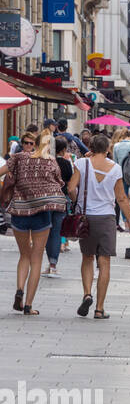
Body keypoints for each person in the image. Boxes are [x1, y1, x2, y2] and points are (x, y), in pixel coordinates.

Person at [67, 134, 130, 320]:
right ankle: (99, 309)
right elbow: (122, 198)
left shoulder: (82, 164)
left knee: (87, 258)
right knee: (104, 261)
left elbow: (70, 188)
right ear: (108, 149)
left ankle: (87, 294)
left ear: (90, 146)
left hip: (87, 217)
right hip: (106, 218)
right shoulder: (115, 169)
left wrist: (78, 202)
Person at [0, 131, 68, 315]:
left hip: (19, 212)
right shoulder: (51, 161)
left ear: (34, 143)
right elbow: (59, 183)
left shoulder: (18, 157)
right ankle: (28, 305)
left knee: (24, 256)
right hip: (41, 213)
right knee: (36, 259)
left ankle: (19, 289)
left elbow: (1, 172)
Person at [44, 136, 75, 277]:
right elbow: (70, 185)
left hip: (47, 200)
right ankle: (53, 264)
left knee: (46, 232)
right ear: (63, 150)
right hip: (61, 200)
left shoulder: (46, 162)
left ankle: (48, 263)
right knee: (57, 232)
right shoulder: (66, 164)